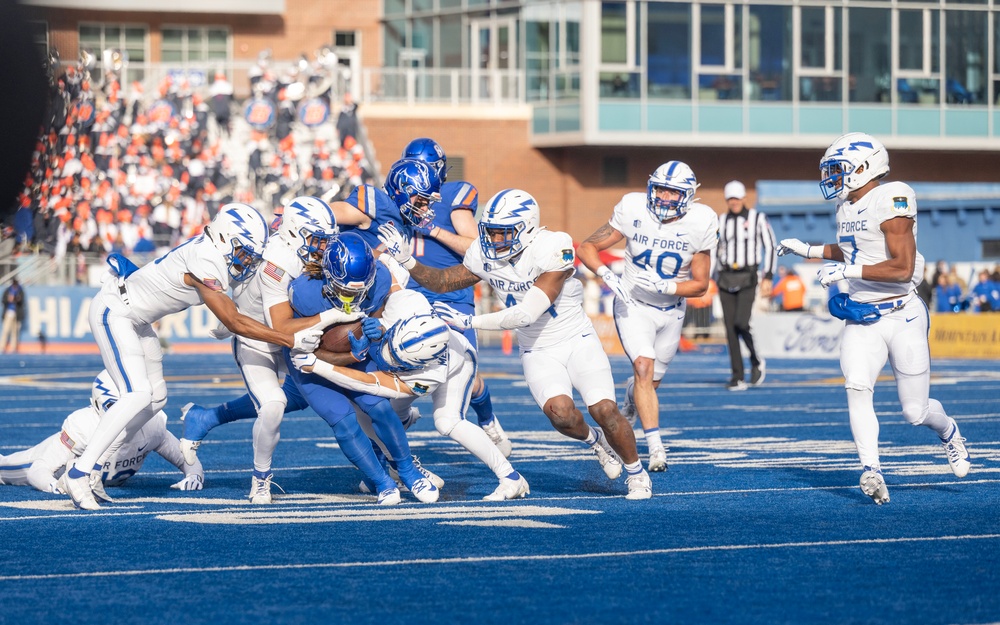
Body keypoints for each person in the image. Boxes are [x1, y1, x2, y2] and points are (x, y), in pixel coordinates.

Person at [379, 188, 653, 500]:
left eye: (502, 233)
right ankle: (596, 442)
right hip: (536, 349)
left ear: (527, 229)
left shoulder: (553, 246)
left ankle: (637, 474)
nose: (494, 240)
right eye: (491, 232)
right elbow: (444, 282)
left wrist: (470, 322)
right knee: (561, 415)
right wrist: (410, 262)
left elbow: (527, 312)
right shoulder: (485, 255)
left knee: (603, 409)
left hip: (576, 339)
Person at [63, 203, 326, 511]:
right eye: (243, 252)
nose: (246, 261)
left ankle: (96, 468)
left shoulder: (212, 250)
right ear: (226, 237)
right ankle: (80, 470)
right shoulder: (207, 258)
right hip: (116, 311)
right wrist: (288, 338)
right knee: (136, 394)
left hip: (138, 318)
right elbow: (234, 320)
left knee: (156, 399)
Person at [777, 131, 971, 504]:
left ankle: (949, 431)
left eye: (838, 170)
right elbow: (853, 249)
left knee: (915, 411)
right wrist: (810, 250)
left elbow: (901, 267)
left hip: (902, 314)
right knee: (857, 386)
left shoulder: (892, 197)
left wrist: (846, 274)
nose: (831, 178)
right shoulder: (846, 206)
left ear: (865, 168)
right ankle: (871, 469)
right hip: (863, 316)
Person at [292, 290, 529, 501]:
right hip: (407, 351)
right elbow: (384, 293)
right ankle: (392, 457)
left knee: (448, 422)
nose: (390, 359)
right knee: (374, 411)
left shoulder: (430, 375)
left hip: (457, 366)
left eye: (399, 361)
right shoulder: (406, 302)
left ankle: (510, 476)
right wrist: (377, 324)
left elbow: (370, 382)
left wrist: (317, 366)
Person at [183, 196, 343, 504]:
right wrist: (330, 317)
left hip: (292, 338)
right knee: (272, 405)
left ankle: (206, 418)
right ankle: (260, 480)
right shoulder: (277, 263)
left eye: (327, 241)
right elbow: (281, 327)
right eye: (317, 240)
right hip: (259, 338)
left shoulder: (294, 246)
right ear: (295, 233)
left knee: (324, 394)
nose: (323, 248)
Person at [577, 161, 717, 472]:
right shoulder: (633, 207)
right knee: (643, 366)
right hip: (633, 304)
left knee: (649, 383)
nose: (665, 197)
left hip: (671, 310)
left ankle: (630, 400)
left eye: (673, 192)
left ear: (689, 196)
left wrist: (668, 285)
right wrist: (604, 274)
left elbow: (701, 284)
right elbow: (587, 246)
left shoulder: (702, 220)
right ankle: (655, 448)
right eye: (661, 189)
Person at [399, 137, 512, 456]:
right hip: (410, 299)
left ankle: (488, 420)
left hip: (450, 296)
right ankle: (400, 423)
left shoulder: (451, 196)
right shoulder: (396, 200)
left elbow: (478, 250)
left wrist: (432, 228)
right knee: (398, 366)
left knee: (467, 375)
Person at [0, 370, 204, 494]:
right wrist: (57, 487)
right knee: (4, 467)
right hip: (49, 462)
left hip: (102, 479)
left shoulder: (152, 425)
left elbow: (185, 458)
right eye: (118, 407)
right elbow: (38, 469)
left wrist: (194, 476)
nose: (126, 414)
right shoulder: (82, 427)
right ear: (98, 406)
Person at [716, 180, 776, 390]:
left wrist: (768, 276)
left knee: (741, 323)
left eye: (737, 198)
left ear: (743, 198)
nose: (734, 202)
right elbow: (715, 249)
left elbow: (770, 246)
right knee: (730, 328)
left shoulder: (758, 218)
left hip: (748, 276)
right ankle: (737, 376)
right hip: (725, 277)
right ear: (727, 200)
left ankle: (756, 359)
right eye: (730, 198)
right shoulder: (721, 221)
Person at [1, 278, 26, 353]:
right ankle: (2, 347)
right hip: (9, 312)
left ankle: (13, 347)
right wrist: (8, 299)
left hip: (16, 313)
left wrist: (15, 299)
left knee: (14, 331)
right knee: (5, 330)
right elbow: (3, 300)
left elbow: (21, 301)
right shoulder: (8, 290)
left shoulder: (20, 290)